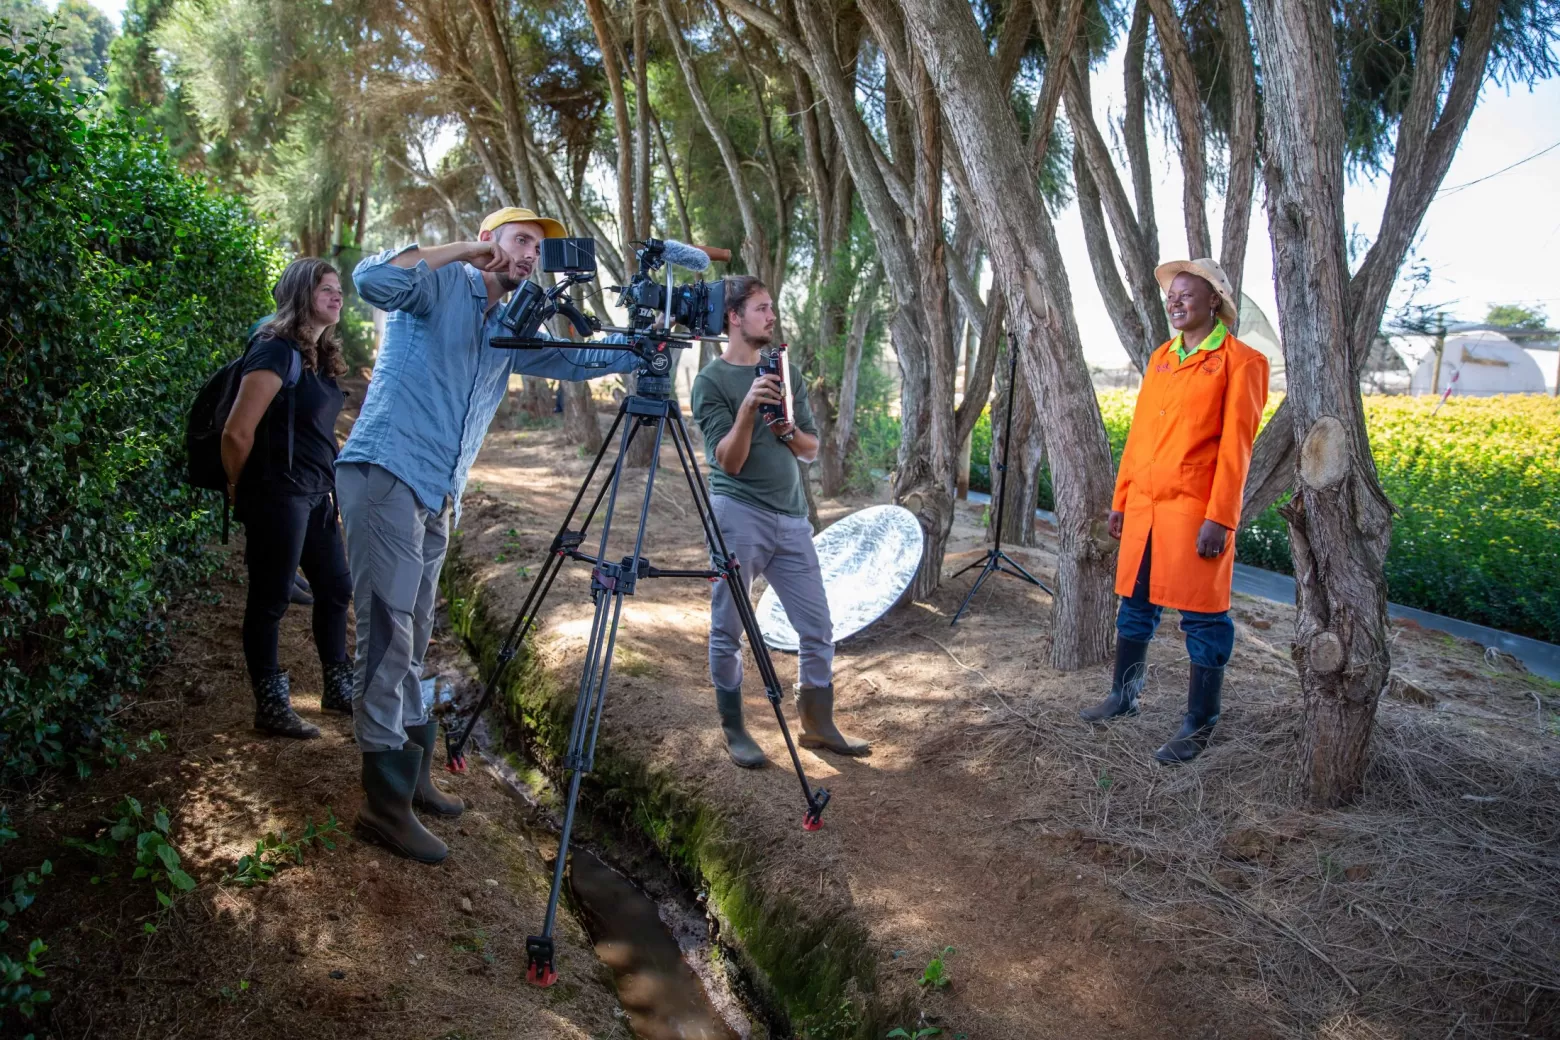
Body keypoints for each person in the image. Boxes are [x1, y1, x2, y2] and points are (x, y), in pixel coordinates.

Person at [341, 207, 639, 864]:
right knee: (388, 637)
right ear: (489, 242)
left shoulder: (509, 323)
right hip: (385, 468)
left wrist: (646, 344)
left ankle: (413, 776)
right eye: (522, 240)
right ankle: (383, 804)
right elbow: (371, 280)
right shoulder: (437, 285)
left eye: (540, 248)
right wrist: (460, 254)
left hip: (438, 492)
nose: (532, 255)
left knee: (415, 633)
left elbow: (572, 361)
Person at [1081, 258, 1269, 763]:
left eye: (1188, 293)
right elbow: (1140, 435)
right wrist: (1122, 500)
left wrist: (1221, 518)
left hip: (1194, 512)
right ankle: (1124, 697)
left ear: (1215, 301)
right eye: (1172, 294)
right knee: (1135, 606)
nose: (1176, 301)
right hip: (1144, 508)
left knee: (1204, 619)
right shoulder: (1161, 357)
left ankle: (1199, 722)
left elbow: (1237, 449)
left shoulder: (1241, 361)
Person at [691, 275, 868, 769]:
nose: (771, 316)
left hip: (792, 519)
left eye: (772, 308)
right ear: (734, 316)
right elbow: (729, 461)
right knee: (729, 627)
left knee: (818, 628)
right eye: (762, 308)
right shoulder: (711, 382)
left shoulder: (785, 373)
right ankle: (734, 729)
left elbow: (811, 449)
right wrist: (748, 408)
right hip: (738, 515)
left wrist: (786, 427)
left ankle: (817, 724)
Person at [221, 258, 354, 739]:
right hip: (278, 493)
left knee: (336, 587)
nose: (337, 296)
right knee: (271, 599)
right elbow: (237, 432)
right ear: (300, 293)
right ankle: (272, 706)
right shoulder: (275, 351)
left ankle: (338, 689)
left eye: (339, 289)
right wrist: (239, 486)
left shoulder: (318, 354)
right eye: (325, 288)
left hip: (316, 493)